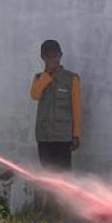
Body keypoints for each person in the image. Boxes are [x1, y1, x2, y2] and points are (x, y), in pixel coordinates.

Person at [30, 39, 81, 171]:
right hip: (44, 136)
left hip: (62, 137)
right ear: (43, 58)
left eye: (56, 56)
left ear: (61, 55)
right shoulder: (39, 78)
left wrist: (76, 135)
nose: (54, 60)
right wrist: (47, 75)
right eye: (50, 57)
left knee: (63, 174)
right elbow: (35, 95)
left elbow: (76, 109)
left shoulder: (71, 79)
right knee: (47, 173)